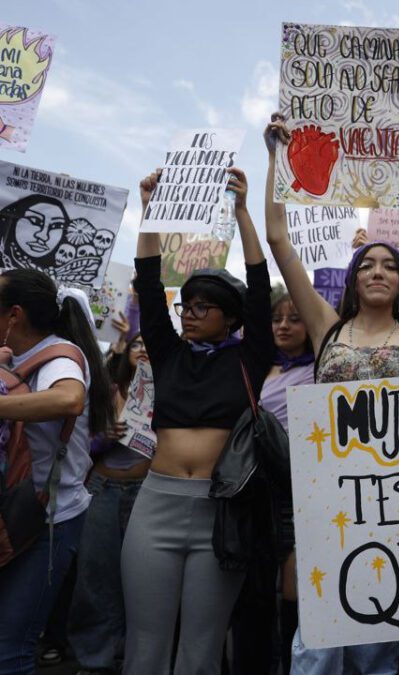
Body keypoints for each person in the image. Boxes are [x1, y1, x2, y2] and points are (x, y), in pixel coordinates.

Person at [263, 112, 399, 673]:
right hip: (325, 493)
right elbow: (281, 240)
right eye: (368, 265)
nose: (378, 271)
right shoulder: (325, 327)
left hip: (394, 496)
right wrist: (275, 160)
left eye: (389, 266)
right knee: (317, 643)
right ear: (355, 278)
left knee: (375, 643)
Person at [121, 166, 275, 674]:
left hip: (220, 513)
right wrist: (151, 212)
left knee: (202, 650)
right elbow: (147, 286)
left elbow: (258, 288)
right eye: (187, 304)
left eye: (204, 307)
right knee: (145, 644)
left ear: (230, 318)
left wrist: (242, 211)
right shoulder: (168, 354)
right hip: (157, 506)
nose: (189, 313)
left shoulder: (248, 356)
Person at [0, 271, 112, 673]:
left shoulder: (60, 355)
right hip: (13, 513)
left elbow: (69, 399)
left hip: (48, 521)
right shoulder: (11, 352)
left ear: (14, 314)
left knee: (9, 649)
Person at [229, 286, 315, 674]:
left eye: (295, 318)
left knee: (296, 589)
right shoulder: (259, 367)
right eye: (277, 318)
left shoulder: (323, 369)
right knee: (258, 588)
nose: (283, 325)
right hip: (257, 490)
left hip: (304, 492)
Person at [67, 333, 151, 672]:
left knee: (142, 577)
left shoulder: (168, 390)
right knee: (96, 573)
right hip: (103, 488)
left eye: (148, 344)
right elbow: (78, 441)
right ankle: (93, 659)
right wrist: (104, 438)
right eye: (136, 344)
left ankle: (132, 656)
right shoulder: (107, 391)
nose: (142, 349)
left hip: (146, 490)